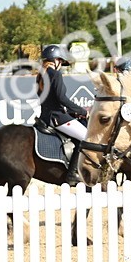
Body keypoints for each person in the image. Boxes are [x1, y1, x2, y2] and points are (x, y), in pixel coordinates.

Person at [36, 44, 90, 185]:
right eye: (61, 61)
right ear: (56, 60)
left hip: (45, 116)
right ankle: (73, 173)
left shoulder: (40, 76)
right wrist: (82, 111)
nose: (61, 65)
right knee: (86, 138)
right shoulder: (55, 74)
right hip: (57, 118)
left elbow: (51, 100)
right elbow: (61, 98)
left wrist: (71, 111)